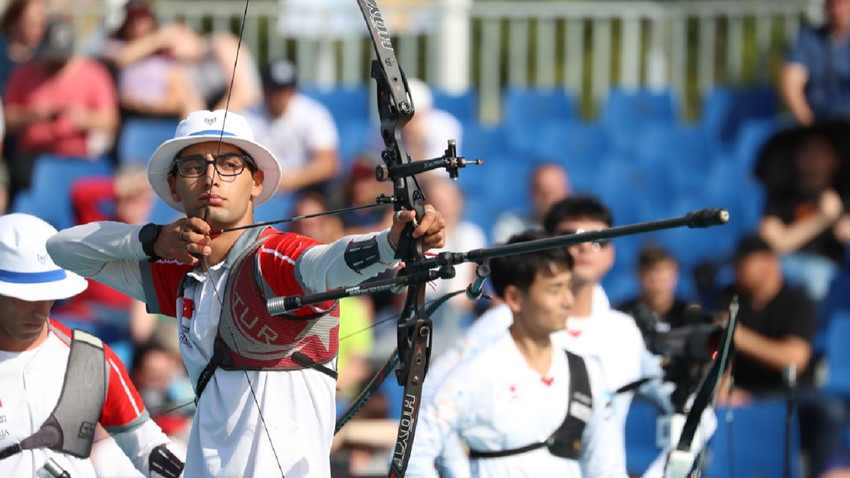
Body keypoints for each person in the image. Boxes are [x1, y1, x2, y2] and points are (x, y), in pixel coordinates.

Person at [46, 108, 447, 478]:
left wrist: (391, 244)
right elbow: (62, 248)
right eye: (193, 166)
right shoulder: (180, 276)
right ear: (173, 186)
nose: (211, 177)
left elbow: (327, 262)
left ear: (256, 181)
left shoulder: (276, 259)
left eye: (229, 164)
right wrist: (153, 239)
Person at [408, 230, 628, 478]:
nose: (568, 300)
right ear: (514, 298)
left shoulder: (588, 371)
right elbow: (411, 455)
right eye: (555, 290)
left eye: (570, 287)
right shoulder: (476, 372)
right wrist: (456, 470)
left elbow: (608, 467)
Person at [0, 212, 185, 478]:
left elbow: (149, 449)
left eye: (50, 295)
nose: (41, 311)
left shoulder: (89, 358)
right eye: (24, 298)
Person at [716, 234, 847, 478]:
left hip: (791, 392)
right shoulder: (730, 299)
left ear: (766, 265)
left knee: (830, 411)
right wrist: (724, 389)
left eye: (742, 264)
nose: (736, 271)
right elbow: (719, 354)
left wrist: (742, 337)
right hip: (745, 391)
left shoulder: (797, 302)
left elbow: (794, 359)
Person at [3, 19, 118, 198]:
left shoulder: (93, 73)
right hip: (34, 158)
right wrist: (33, 115)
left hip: (78, 158)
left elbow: (111, 120)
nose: (57, 62)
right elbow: (6, 120)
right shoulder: (23, 73)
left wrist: (83, 119)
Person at [100, 0, 261, 117]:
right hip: (225, 123)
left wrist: (213, 121)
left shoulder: (220, 43)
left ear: (184, 30)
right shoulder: (185, 71)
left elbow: (246, 92)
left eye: (172, 42)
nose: (170, 50)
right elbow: (192, 106)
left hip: (252, 117)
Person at [758, 130, 850, 301]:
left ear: (835, 159)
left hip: (826, 268)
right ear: (797, 156)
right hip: (783, 263)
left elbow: (845, 232)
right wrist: (821, 219)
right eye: (807, 150)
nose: (814, 157)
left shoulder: (844, 196)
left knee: (816, 280)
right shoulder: (781, 197)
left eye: (822, 151)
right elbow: (773, 243)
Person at [245, 58, 340, 195]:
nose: (280, 96)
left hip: (304, 191)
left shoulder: (313, 113)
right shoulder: (248, 115)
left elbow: (328, 163)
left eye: (286, 90)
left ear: (295, 90)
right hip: (258, 187)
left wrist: (288, 181)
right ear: (264, 90)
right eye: (274, 90)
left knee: (311, 209)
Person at [781, 0, 850, 126]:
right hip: (817, 123)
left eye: (841, 3)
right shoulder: (808, 40)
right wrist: (809, 125)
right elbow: (791, 84)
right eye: (831, 3)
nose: (836, 9)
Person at [491, 162, 571, 244]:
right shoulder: (511, 224)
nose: (550, 199)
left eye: (554, 192)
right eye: (543, 193)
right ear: (531, 194)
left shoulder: (578, 226)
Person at [0, 0, 48, 94]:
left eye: (41, 25)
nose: (38, 30)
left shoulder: (47, 55)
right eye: (32, 24)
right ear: (15, 22)